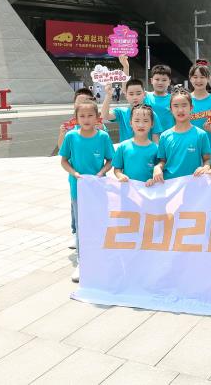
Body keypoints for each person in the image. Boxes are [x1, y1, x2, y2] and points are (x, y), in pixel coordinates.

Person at [59, 100, 114, 282]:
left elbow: (110, 160)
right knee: (82, 227)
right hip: (78, 189)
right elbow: (64, 161)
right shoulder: (71, 137)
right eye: (82, 116)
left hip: (98, 189)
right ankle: (83, 262)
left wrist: (101, 173)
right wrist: (74, 173)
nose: (86, 119)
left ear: (97, 117)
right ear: (76, 118)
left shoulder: (103, 137)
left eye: (90, 115)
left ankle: (101, 258)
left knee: (99, 224)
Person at [153, 89, 211, 182]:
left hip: (193, 183)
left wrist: (206, 167)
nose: (180, 110)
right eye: (176, 106)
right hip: (170, 184)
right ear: (170, 109)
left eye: (184, 105)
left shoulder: (201, 134)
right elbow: (162, 161)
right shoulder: (164, 136)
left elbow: (207, 159)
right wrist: (157, 168)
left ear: (191, 108)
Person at [101, 79, 163, 143]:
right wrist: (108, 95)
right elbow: (105, 116)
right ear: (126, 95)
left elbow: (156, 139)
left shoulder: (151, 114)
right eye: (131, 94)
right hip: (126, 149)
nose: (135, 97)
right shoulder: (121, 112)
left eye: (138, 94)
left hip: (146, 149)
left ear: (144, 94)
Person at [112, 103, 159, 185]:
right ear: (130, 123)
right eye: (137, 121)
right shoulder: (123, 146)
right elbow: (117, 169)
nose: (141, 125)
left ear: (152, 124)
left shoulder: (156, 148)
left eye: (145, 121)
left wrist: (153, 180)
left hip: (149, 189)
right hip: (129, 189)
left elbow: (159, 171)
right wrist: (121, 176)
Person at [188, 63, 211, 145]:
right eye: (195, 77)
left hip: (209, 148)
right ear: (190, 78)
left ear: (208, 78)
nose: (198, 80)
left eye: (202, 77)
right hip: (188, 147)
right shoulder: (185, 100)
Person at [144, 64, 174, 130]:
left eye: (164, 80)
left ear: (169, 82)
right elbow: (128, 91)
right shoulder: (145, 96)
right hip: (149, 135)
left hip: (168, 135)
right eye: (157, 79)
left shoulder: (174, 99)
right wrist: (126, 67)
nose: (160, 83)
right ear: (151, 81)